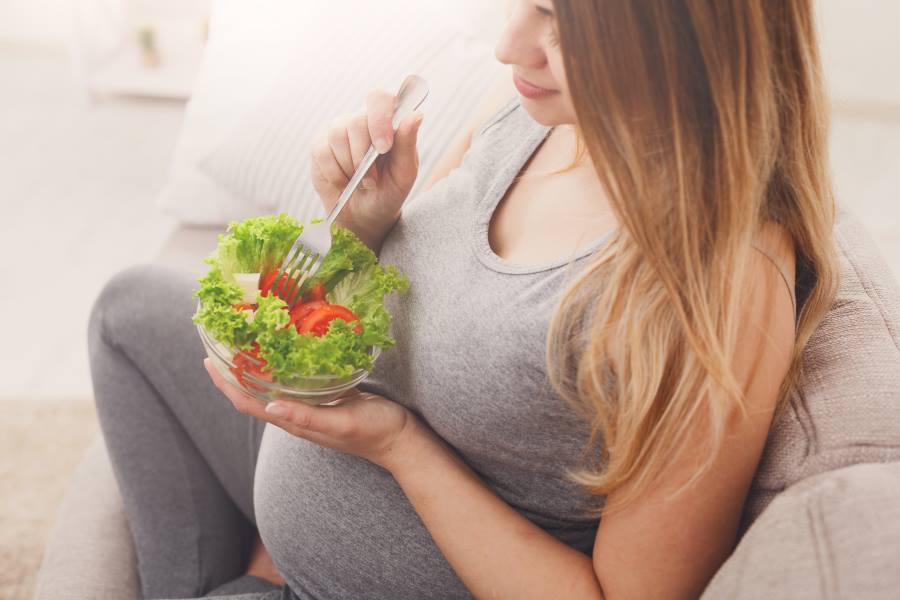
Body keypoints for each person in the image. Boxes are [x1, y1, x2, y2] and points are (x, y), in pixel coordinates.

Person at [89, 1, 839, 598]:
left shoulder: (723, 280)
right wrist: (363, 221)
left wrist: (395, 446)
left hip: (380, 538)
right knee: (130, 312)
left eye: (559, 18)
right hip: (325, 459)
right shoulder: (533, 118)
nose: (511, 44)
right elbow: (394, 304)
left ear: (682, 34)